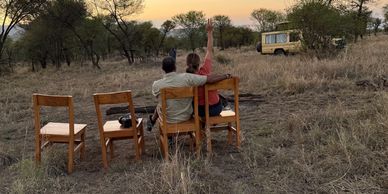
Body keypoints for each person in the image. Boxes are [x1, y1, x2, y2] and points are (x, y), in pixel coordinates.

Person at [147, 56, 231, 130]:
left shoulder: (156, 84)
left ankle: (154, 124)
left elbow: (156, 97)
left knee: (160, 105)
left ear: (163, 68)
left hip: (168, 119)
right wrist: (226, 76)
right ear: (175, 67)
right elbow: (209, 79)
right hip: (186, 117)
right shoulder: (187, 78)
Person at [186, 19, 225, 117]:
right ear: (199, 63)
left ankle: (202, 127)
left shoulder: (187, 78)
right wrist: (210, 32)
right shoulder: (205, 70)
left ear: (187, 64)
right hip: (216, 109)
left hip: (201, 111)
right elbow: (209, 50)